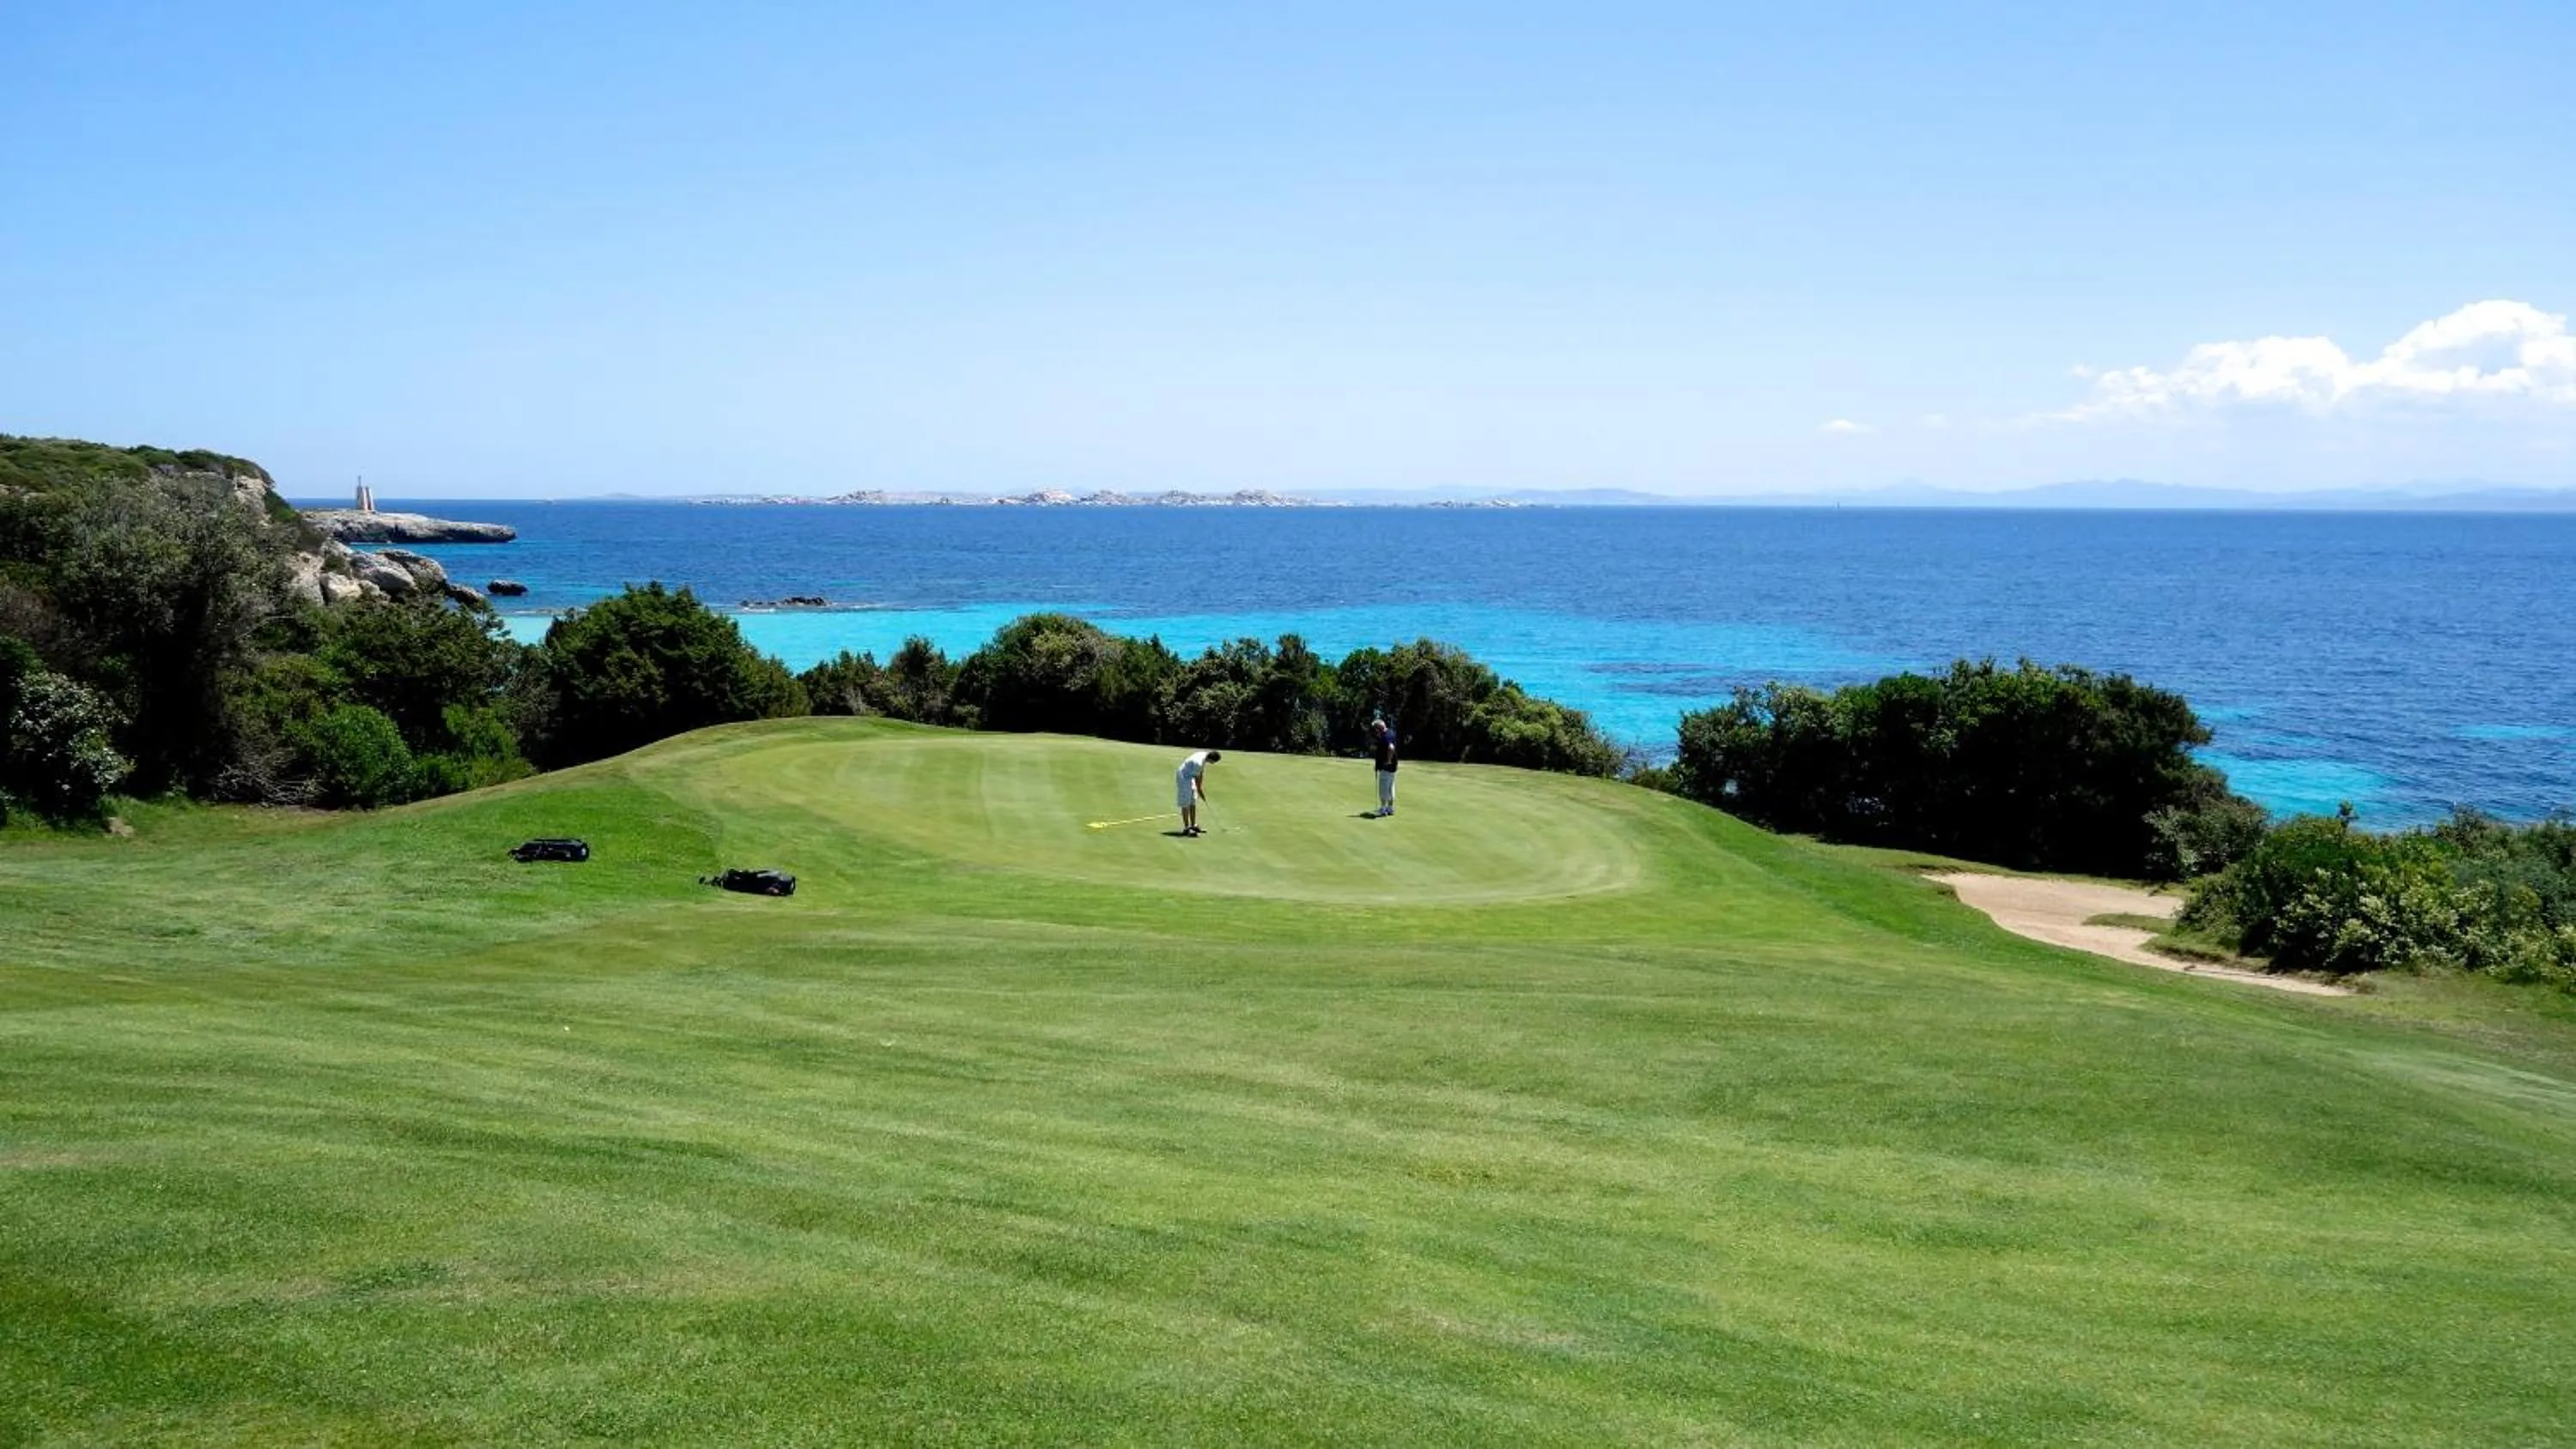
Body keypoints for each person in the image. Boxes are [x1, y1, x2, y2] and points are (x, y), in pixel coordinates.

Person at [1176, 749, 1220, 836]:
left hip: (1190, 776)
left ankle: (1193, 826)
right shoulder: (1198, 763)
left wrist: (1199, 789)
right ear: (1211, 759)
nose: (1213, 764)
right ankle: (1187, 828)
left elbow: (1200, 773)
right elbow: (1197, 781)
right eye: (1214, 762)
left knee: (1193, 801)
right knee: (1186, 803)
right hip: (1183, 777)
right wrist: (1200, 791)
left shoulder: (1204, 755)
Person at [1370, 715, 1399, 817]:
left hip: (1386, 767)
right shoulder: (1391, 732)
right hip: (1393, 767)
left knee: (1383, 789)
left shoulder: (1385, 737)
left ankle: (1383, 809)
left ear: (1379, 728)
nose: (1375, 731)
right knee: (1391, 787)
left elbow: (1391, 748)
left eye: (1376, 729)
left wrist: (1388, 760)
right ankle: (1390, 808)